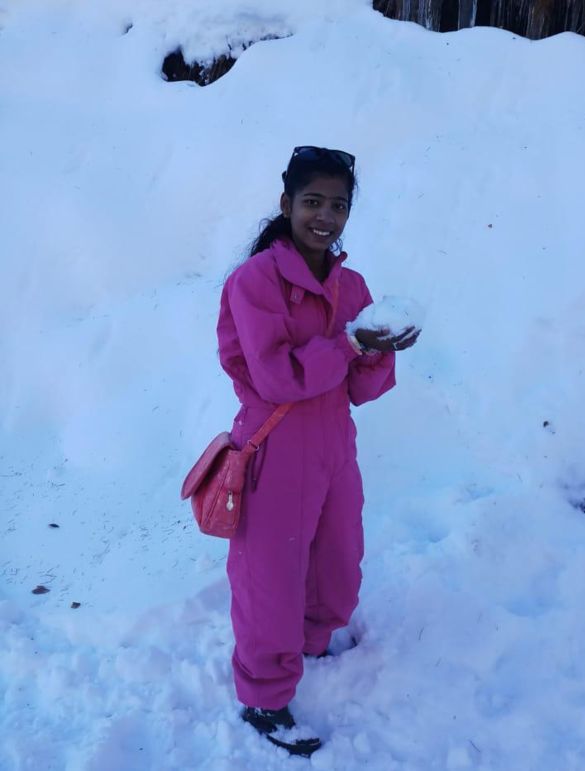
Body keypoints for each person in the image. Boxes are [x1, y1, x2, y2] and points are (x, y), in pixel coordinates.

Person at [216, 146, 419, 756]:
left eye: (338, 205)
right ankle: (264, 695)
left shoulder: (351, 285)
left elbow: (362, 390)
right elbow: (276, 377)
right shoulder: (255, 281)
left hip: (334, 445)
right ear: (286, 204)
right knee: (270, 579)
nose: (325, 216)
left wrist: (380, 348)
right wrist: (352, 344)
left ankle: (309, 641)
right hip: (275, 446)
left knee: (338, 563)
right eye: (312, 202)